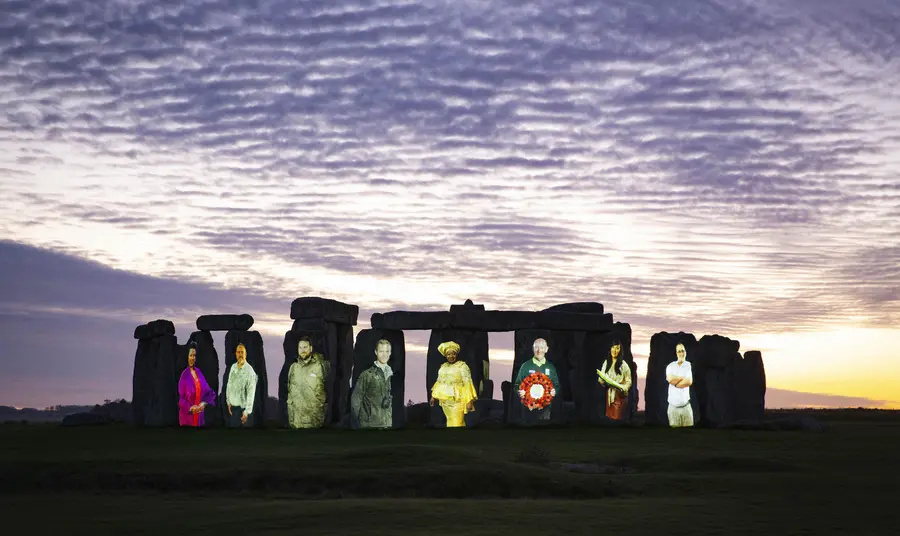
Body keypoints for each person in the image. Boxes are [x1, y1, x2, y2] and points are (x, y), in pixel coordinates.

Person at [429, 341, 477, 428]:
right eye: (448, 354)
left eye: (453, 354)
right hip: (445, 400)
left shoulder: (462, 366)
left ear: (456, 354)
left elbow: (468, 383)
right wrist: (433, 397)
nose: (451, 356)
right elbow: (439, 381)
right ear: (445, 355)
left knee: (457, 423)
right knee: (450, 422)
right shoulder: (443, 367)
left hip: (458, 400)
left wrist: (469, 401)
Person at [287, 336, 330, 429]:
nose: (303, 350)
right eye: (300, 348)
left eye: (305, 347)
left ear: (311, 348)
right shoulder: (294, 367)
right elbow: (289, 390)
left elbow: (329, 388)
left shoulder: (321, 366)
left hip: (315, 422)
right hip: (296, 422)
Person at [513, 338, 559, 423]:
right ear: (533, 349)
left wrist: (554, 391)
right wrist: (519, 392)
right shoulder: (525, 366)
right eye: (536, 347)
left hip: (546, 409)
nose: (538, 351)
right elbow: (516, 385)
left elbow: (556, 385)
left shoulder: (551, 367)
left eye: (541, 348)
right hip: (528, 409)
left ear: (546, 349)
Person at [350, 338, 393, 429]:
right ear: (376, 352)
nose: (384, 354)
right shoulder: (366, 375)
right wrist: (357, 422)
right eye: (381, 351)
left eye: (387, 351)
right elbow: (356, 399)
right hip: (369, 425)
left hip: (386, 424)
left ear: (390, 353)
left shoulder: (391, 374)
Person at [177, 342, 216, 427]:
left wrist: (204, 403)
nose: (192, 358)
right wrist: (190, 408)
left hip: (199, 418)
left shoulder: (198, 372)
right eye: (191, 355)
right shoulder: (184, 375)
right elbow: (180, 399)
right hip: (188, 418)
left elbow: (209, 392)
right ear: (187, 357)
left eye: (194, 355)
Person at [597, 340, 632, 421]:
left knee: (617, 418)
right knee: (609, 417)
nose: (615, 350)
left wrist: (623, 388)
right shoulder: (606, 363)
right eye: (613, 347)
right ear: (610, 349)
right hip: (609, 395)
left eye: (617, 348)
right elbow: (601, 378)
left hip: (620, 395)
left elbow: (628, 381)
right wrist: (603, 380)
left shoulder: (624, 365)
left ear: (620, 350)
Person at [225, 342, 258, 427]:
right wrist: (228, 402)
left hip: (243, 412)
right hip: (232, 410)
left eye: (242, 352)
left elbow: (251, 393)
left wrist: (246, 412)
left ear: (245, 354)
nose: (240, 354)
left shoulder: (250, 372)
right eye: (238, 352)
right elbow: (229, 385)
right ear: (236, 354)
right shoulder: (233, 367)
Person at [666, 343, 694, 427]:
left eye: (683, 351)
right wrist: (682, 377)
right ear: (676, 353)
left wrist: (676, 383)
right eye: (679, 351)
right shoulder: (670, 366)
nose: (681, 353)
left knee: (689, 434)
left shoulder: (688, 365)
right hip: (673, 408)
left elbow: (688, 381)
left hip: (686, 407)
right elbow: (670, 379)